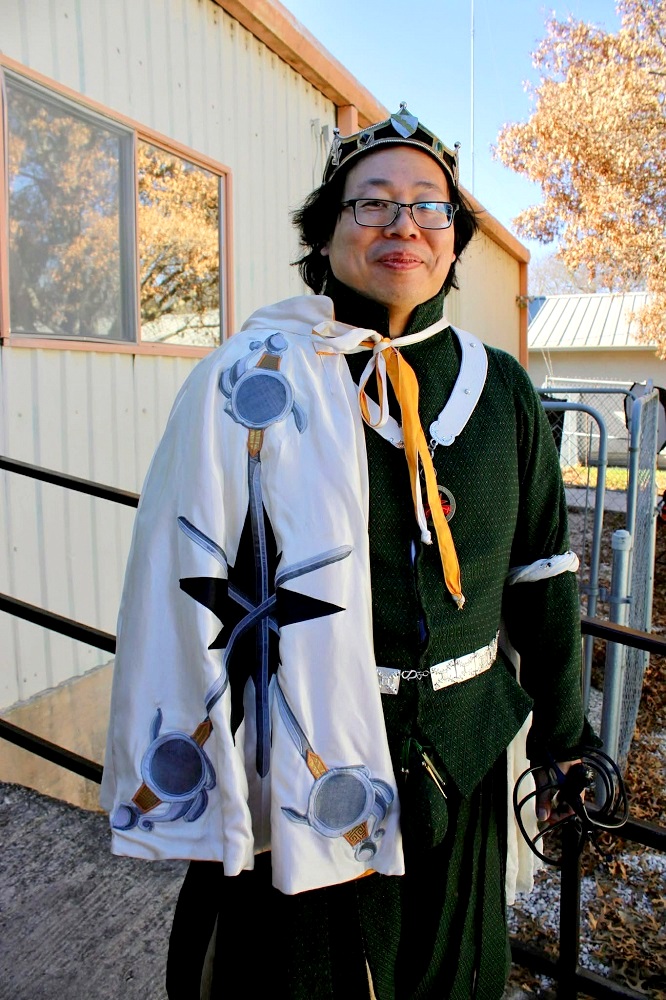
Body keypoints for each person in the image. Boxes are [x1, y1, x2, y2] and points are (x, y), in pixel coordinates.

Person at [101, 106, 593, 999]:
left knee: (453, 979)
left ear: (454, 239)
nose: (404, 224)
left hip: (466, 753)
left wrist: (564, 735)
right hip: (305, 753)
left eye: (429, 206)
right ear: (324, 235)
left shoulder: (504, 391)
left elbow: (541, 573)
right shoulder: (250, 383)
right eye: (372, 204)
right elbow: (185, 575)